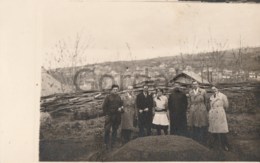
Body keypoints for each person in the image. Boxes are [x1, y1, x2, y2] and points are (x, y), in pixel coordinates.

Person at [208, 86, 230, 151]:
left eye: (215, 89)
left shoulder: (223, 96)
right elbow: (210, 105)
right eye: (212, 89)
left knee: (222, 130)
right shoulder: (211, 97)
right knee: (214, 130)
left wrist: (221, 110)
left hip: (220, 114)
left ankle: (225, 145)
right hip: (213, 114)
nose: (214, 90)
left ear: (218, 89)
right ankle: (215, 145)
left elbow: (226, 105)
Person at [102, 84, 123, 149]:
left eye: (117, 89)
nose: (115, 91)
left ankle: (113, 143)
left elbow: (121, 105)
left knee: (115, 129)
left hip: (116, 116)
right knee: (107, 129)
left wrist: (121, 108)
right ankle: (106, 143)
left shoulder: (119, 97)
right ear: (111, 90)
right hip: (110, 116)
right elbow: (104, 106)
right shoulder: (108, 97)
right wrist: (107, 114)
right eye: (114, 89)